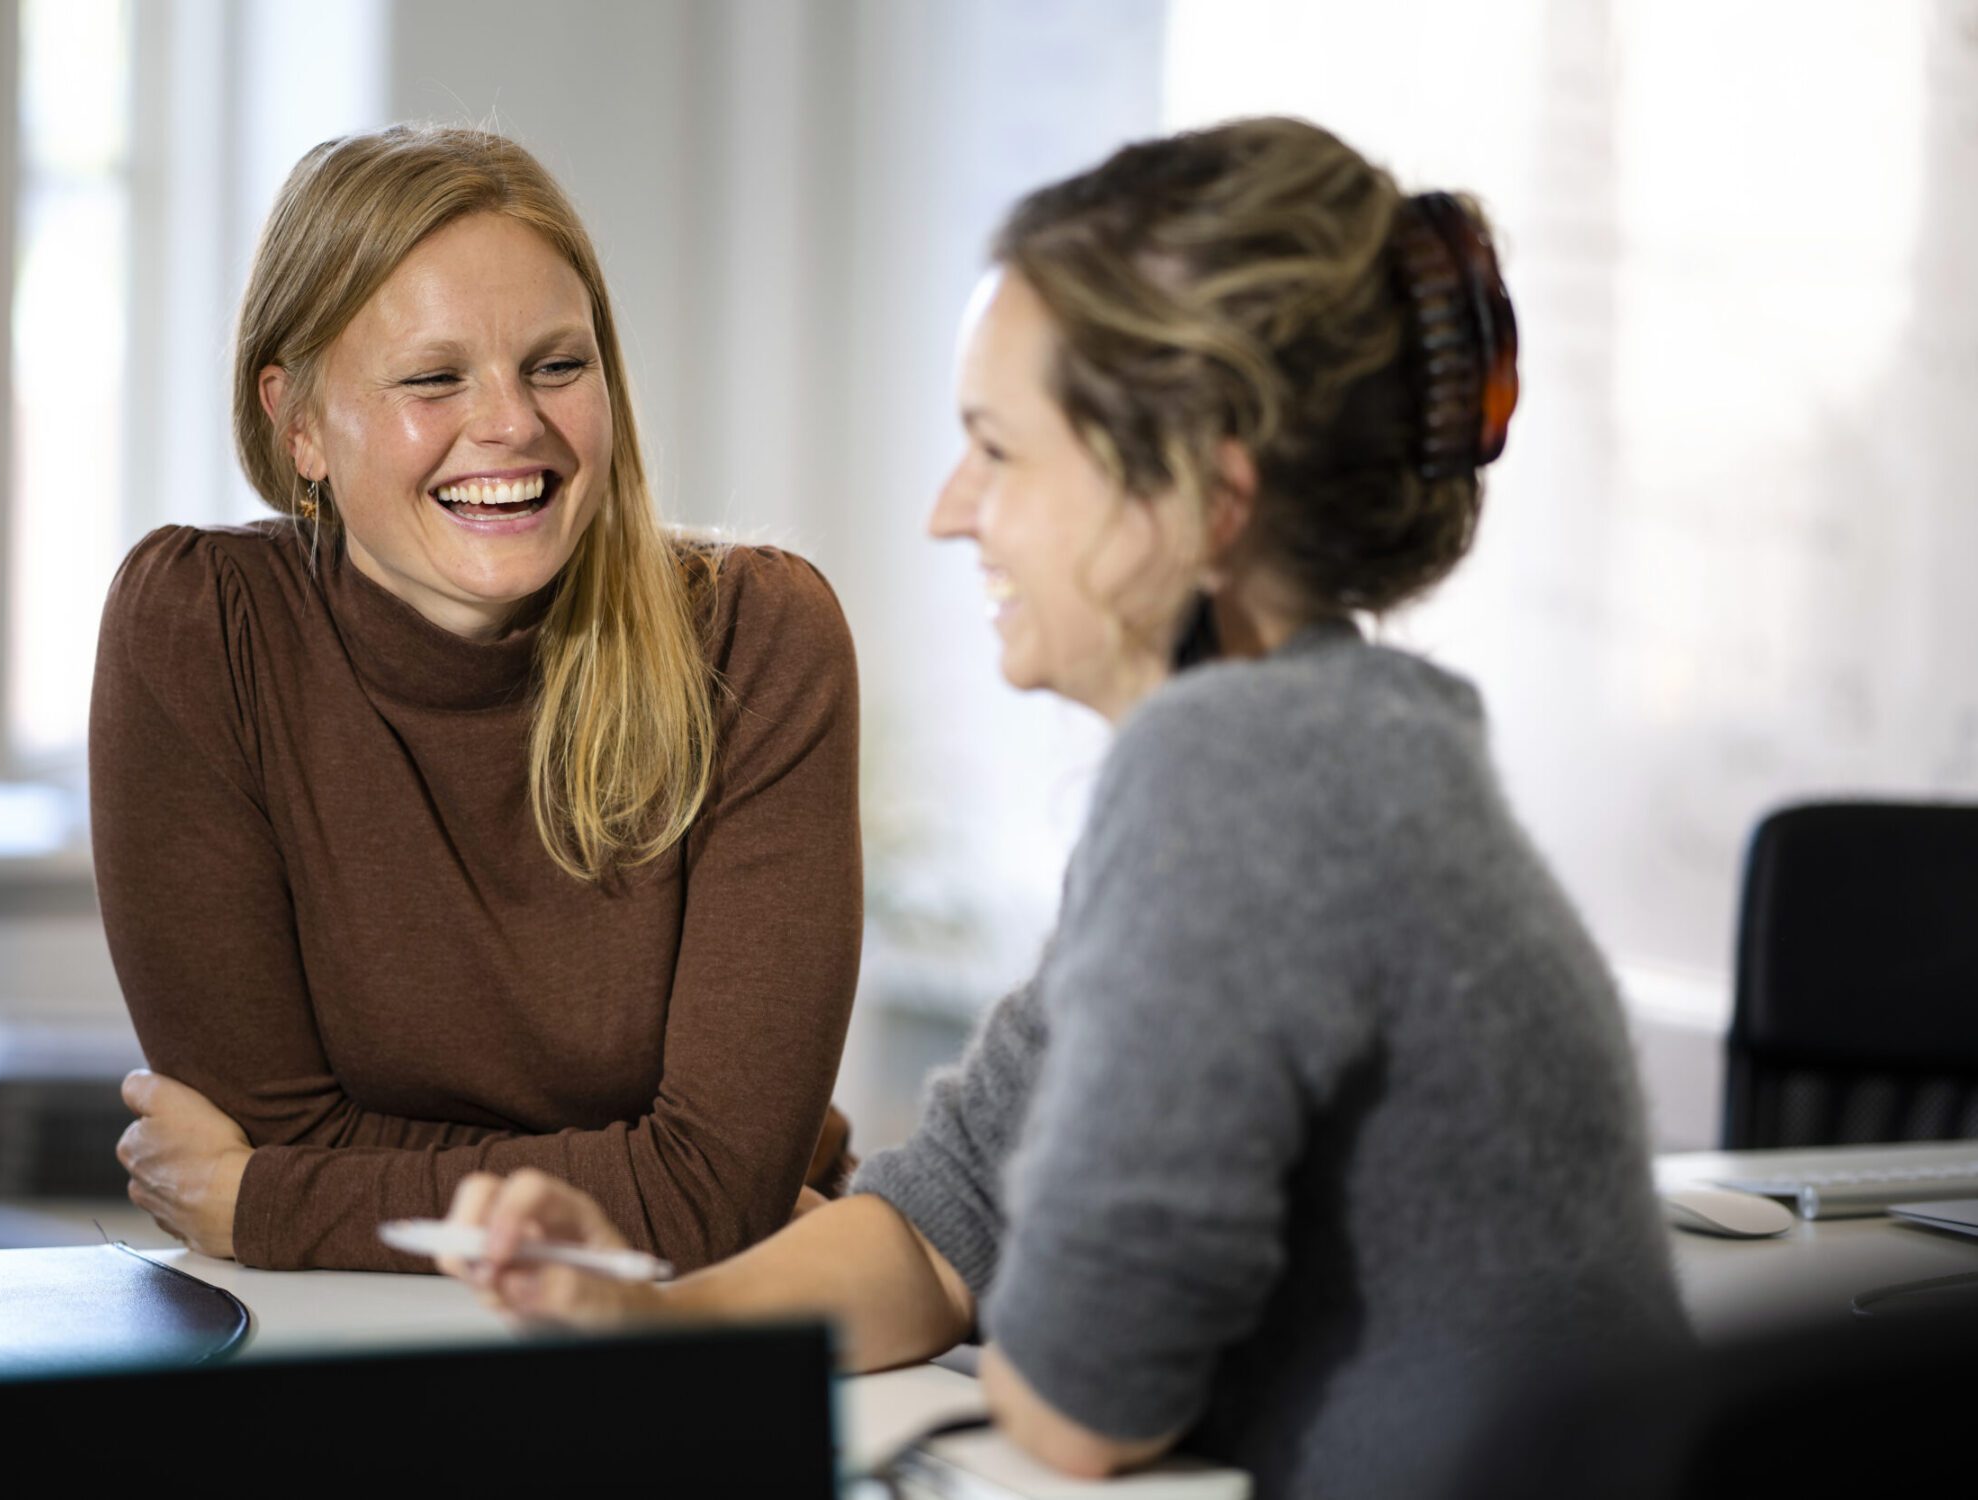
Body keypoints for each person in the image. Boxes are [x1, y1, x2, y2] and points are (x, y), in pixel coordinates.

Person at [428, 117, 1688, 1496]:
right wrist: (650, 1319)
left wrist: (1028, 1313)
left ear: (1199, 496)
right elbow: (939, 1226)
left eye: (999, 450)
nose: (949, 511)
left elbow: (1081, 1400)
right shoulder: (1327, 744)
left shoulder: (1238, 780)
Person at [91, 125, 863, 1274]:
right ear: (297, 422)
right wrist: (668, 1181)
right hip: (335, 1341)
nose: (511, 425)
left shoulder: (756, 639)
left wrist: (276, 1201)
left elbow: (712, 1188)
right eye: (434, 378)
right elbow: (705, 1189)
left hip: (662, 1347)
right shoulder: (201, 632)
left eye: (557, 365)